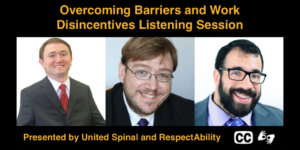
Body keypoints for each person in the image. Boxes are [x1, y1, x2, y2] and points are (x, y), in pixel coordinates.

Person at [106, 37, 194, 126]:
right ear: (122, 72)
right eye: (142, 72)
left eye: (162, 75)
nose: (153, 86)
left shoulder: (191, 113)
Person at [17, 38, 105, 126]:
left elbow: (99, 123)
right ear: (42, 62)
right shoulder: (29, 94)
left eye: (63, 54)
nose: (59, 59)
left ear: (71, 59)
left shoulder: (84, 90)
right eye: (52, 55)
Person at [195, 39, 283, 126]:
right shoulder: (190, 114)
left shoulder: (280, 119)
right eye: (236, 73)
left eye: (255, 76)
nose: (247, 86)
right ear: (217, 77)